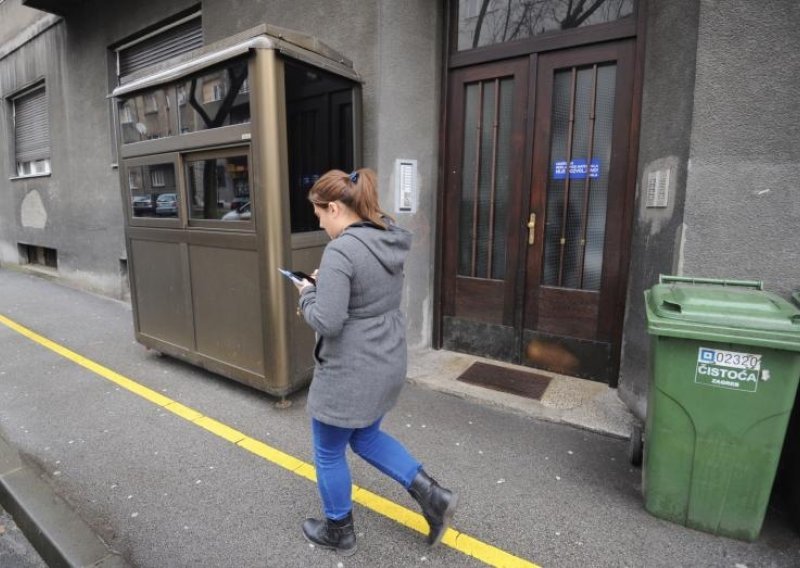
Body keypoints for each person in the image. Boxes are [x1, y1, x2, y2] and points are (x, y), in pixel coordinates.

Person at [291, 168, 457, 556]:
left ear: (334, 207)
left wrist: (306, 295)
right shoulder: (387, 235)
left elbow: (328, 321)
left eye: (319, 215)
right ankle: (434, 498)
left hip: (351, 370)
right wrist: (326, 285)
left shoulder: (341, 250)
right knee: (365, 436)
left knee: (329, 450)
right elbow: (366, 293)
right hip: (386, 360)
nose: (319, 224)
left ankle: (339, 532)